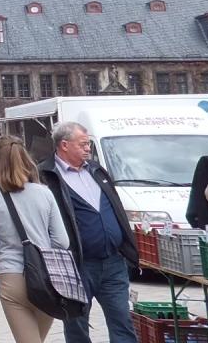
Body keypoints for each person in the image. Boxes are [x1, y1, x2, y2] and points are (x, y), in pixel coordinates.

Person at [38, 122, 137, 343]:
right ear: (64, 145)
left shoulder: (96, 170)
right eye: (82, 144)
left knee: (122, 321)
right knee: (77, 326)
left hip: (113, 262)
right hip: (76, 265)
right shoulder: (46, 175)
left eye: (88, 144)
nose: (88, 148)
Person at [0, 136, 70, 343]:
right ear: (26, 160)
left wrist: (5, 246)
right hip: (46, 276)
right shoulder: (44, 193)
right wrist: (41, 247)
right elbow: (62, 241)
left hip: (12, 275)